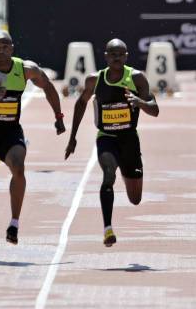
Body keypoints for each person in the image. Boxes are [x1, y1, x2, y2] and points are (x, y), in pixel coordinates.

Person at [0, 30, 66, 244]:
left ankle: (14, 224)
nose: (1, 50)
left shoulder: (26, 69)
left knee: (18, 167)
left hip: (11, 133)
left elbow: (48, 87)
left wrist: (58, 116)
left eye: (5, 46)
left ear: (12, 48)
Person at [64, 39, 159, 247]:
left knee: (135, 198)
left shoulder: (136, 78)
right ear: (106, 56)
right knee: (108, 173)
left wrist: (140, 102)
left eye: (120, 54)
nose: (116, 57)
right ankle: (108, 229)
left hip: (129, 139)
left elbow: (155, 109)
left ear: (126, 56)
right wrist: (72, 138)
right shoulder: (94, 80)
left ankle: (126, 172)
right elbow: (80, 104)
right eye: (112, 54)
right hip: (106, 137)